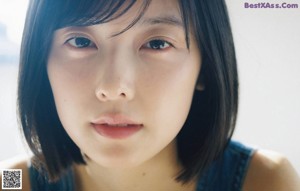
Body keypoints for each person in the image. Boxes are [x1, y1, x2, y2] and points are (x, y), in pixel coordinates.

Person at [1, 0, 300, 190]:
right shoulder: (12, 181)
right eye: (80, 41)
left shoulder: (266, 181)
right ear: (42, 62)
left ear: (206, 67)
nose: (114, 86)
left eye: (157, 44)